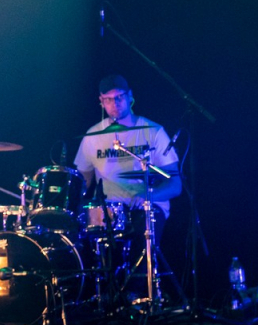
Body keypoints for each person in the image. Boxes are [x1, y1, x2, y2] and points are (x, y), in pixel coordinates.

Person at [73, 75, 182, 297]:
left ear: (131, 97)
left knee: (143, 238)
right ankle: (99, 297)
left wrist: (150, 197)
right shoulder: (93, 136)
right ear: (101, 102)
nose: (115, 104)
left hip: (148, 208)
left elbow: (176, 184)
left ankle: (134, 296)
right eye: (109, 99)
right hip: (110, 213)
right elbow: (81, 183)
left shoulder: (153, 131)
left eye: (120, 97)